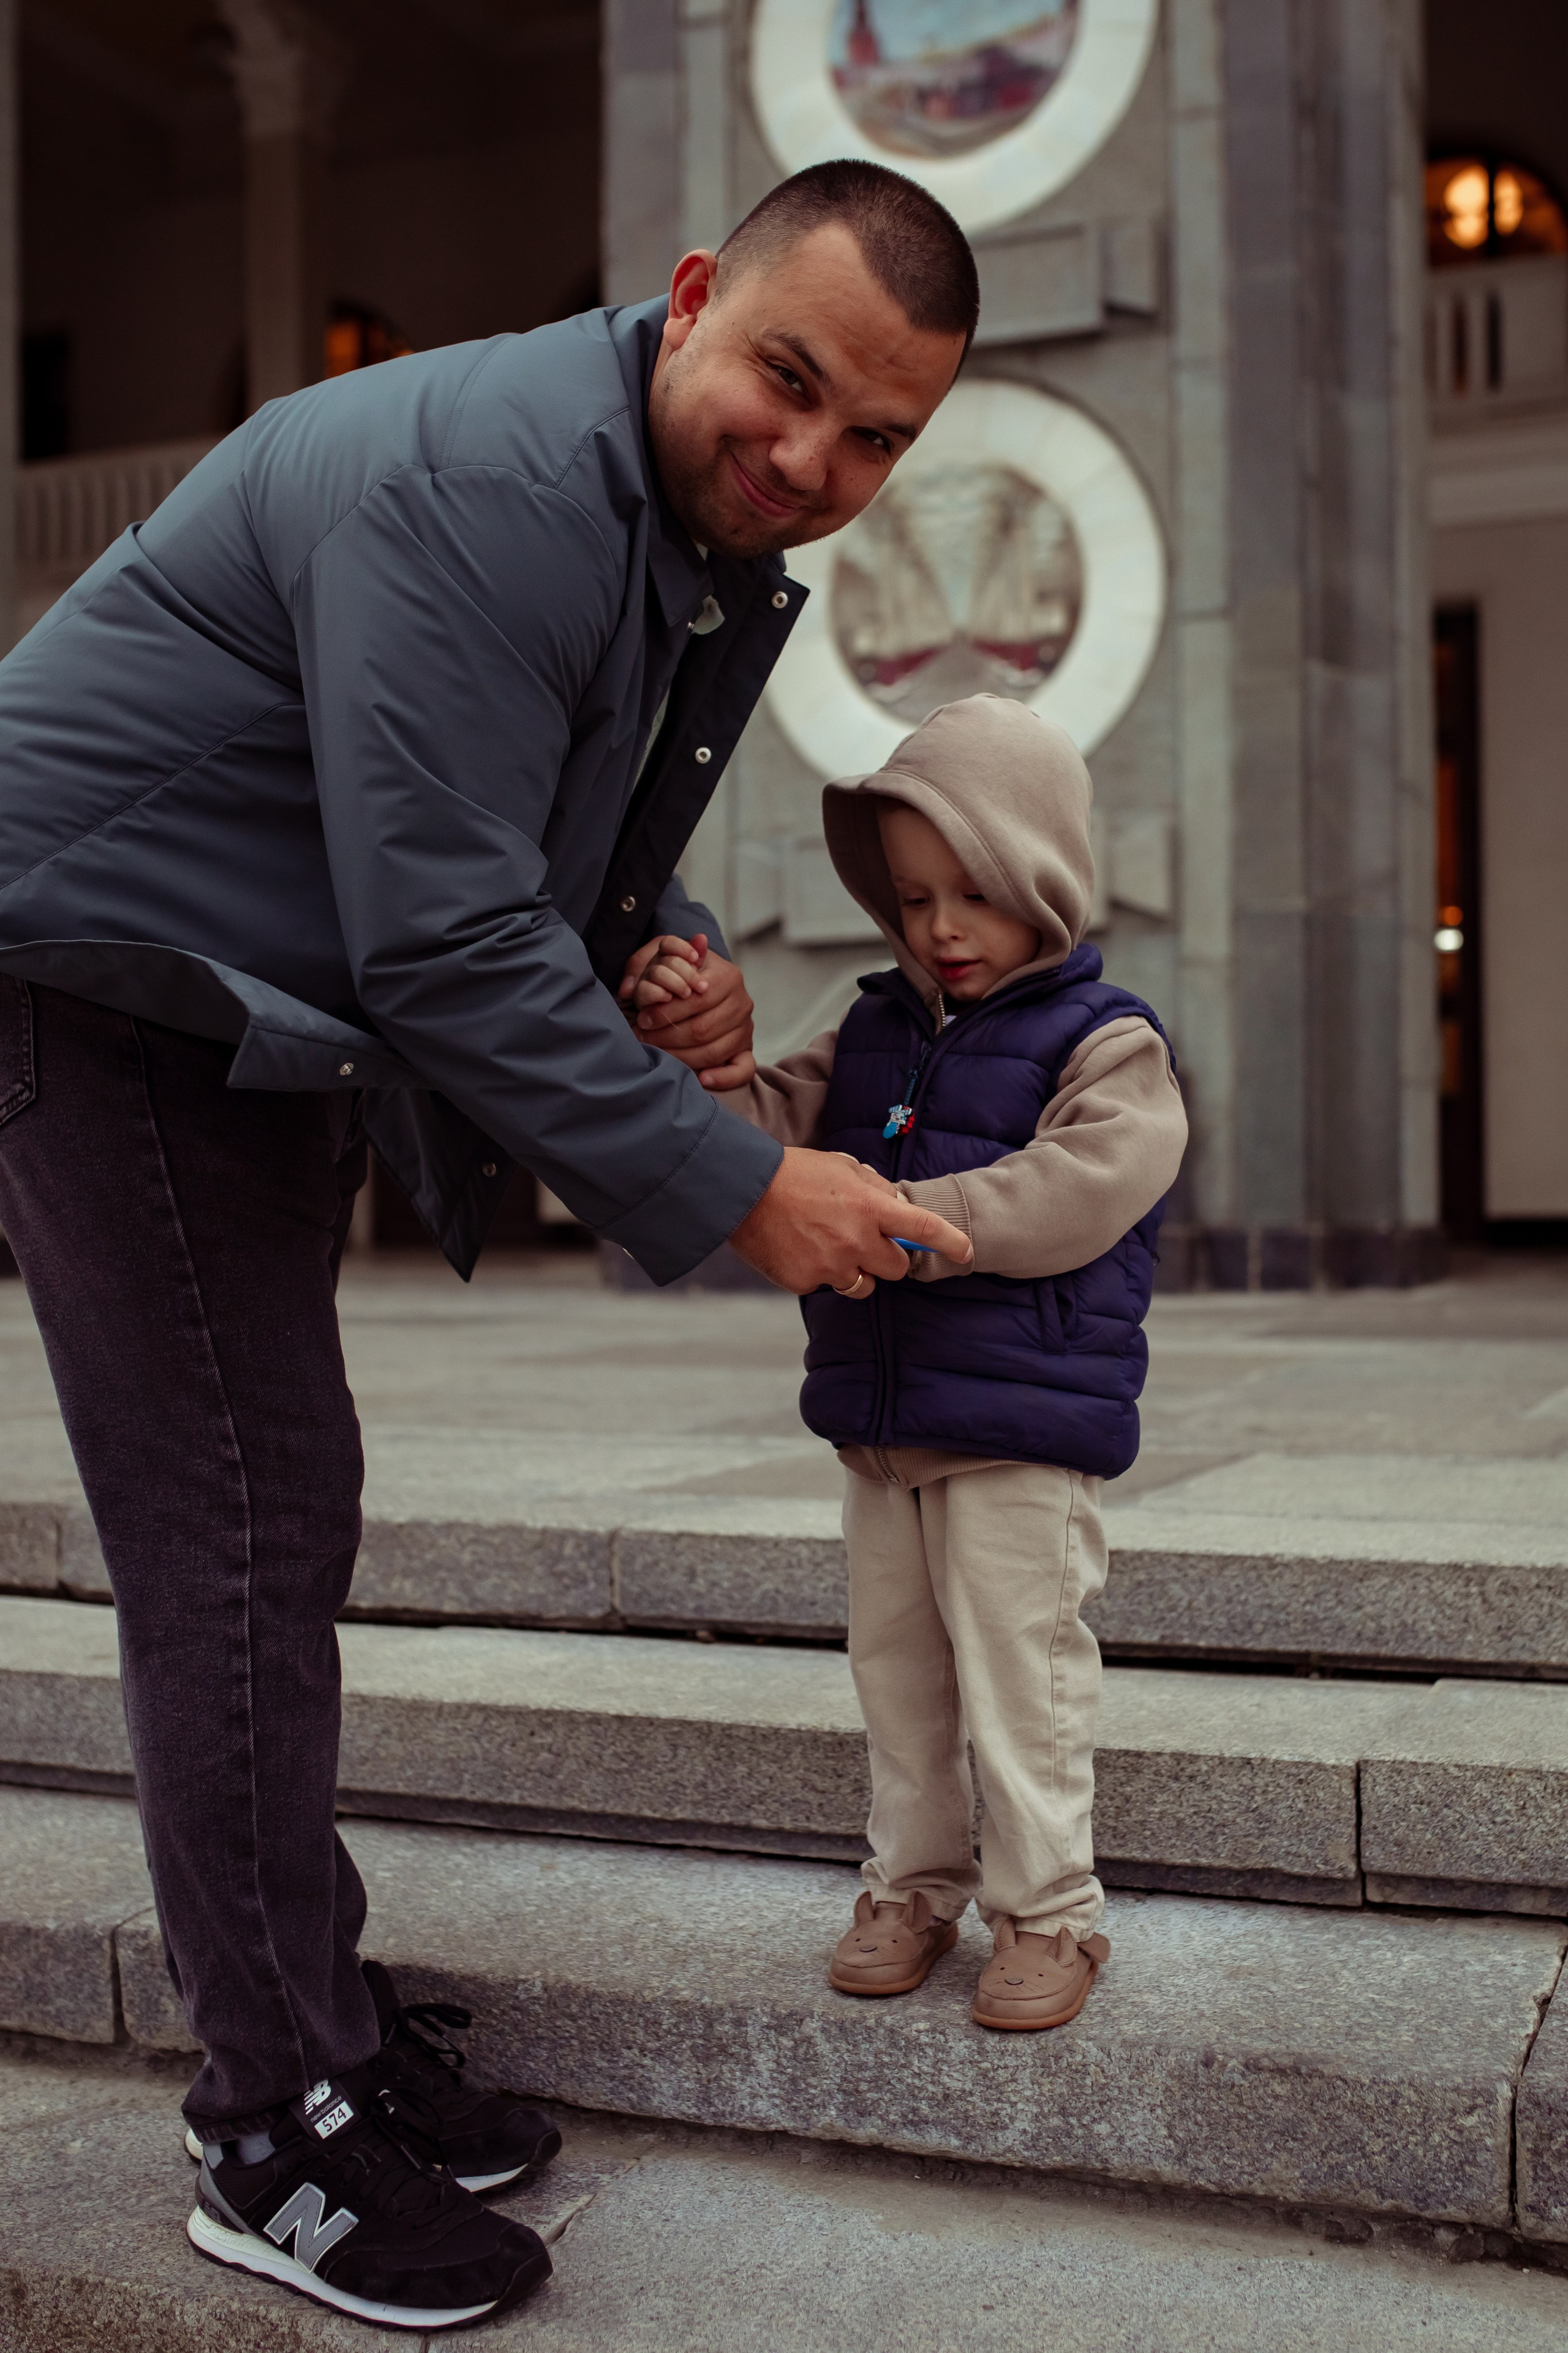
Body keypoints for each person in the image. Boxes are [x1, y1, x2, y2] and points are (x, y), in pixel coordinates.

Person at [0, 163, 978, 2330]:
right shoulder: (493, 478)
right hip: (95, 981)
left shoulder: (652, 514)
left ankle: (314, 2025)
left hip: (231, 1009)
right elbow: (444, 940)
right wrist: (748, 1186)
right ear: (696, 295)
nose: (812, 462)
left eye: (877, 437)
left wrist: (673, 955)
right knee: (237, 1535)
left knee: (280, 1508)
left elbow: (520, 853)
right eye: (790, 384)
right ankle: (272, 2136)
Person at [647, 695, 1187, 2034]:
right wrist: (707, 1063)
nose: (939, 927)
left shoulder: (1106, 1042)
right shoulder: (872, 1025)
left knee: (1020, 1673)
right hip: (881, 1424)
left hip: (1018, 1428)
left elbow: (1075, 1188)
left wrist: (913, 1224)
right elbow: (772, 1129)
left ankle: (1050, 1907)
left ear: (1043, 882)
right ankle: (909, 1883)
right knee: (896, 1673)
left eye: (973, 894)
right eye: (912, 896)